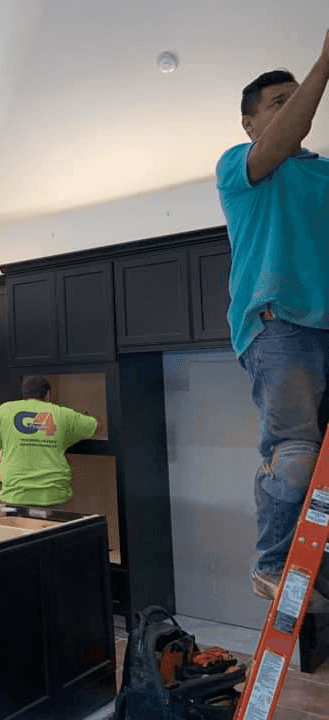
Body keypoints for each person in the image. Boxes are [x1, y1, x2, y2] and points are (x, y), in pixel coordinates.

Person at [215, 30, 329, 611]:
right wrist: (323, 63)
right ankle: (271, 563)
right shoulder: (243, 166)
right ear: (250, 123)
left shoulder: (325, 173)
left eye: (296, 98)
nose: (291, 108)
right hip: (278, 321)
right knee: (297, 450)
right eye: (276, 103)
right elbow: (292, 135)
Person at [0, 376, 97, 506]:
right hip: (53, 493)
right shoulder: (62, 413)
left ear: (24, 394)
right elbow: (96, 425)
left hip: (16, 494)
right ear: (47, 394)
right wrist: (84, 419)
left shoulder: (4, 410)